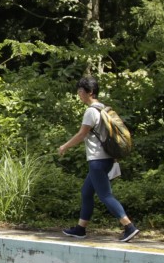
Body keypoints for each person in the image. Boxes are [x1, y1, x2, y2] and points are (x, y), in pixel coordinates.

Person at [57, 76, 139, 242]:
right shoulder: (104, 109)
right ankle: (80, 229)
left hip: (97, 160)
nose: (79, 95)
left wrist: (64, 146)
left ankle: (128, 226)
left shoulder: (90, 111)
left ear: (90, 92)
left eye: (81, 91)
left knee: (105, 195)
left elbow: (81, 134)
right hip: (107, 158)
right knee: (86, 192)